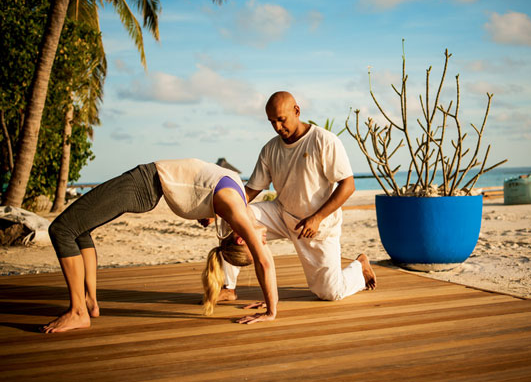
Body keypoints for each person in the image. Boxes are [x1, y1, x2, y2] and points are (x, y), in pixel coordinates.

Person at [42, 159, 278, 333]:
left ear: (241, 239)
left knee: (62, 230)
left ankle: (78, 312)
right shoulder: (236, 208)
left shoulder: (235, 210)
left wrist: (270, 312)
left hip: (143, 182)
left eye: (260, 242)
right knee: (81, 230)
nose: (263, 241)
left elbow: (263, 261)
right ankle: (89, 303)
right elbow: (211, 194)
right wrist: (269, 303)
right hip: (148, 184)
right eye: (263, 242)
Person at [219, 91, 376, 305]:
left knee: (329, 292)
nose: (276, 127)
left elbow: (348, 185)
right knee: (230, 214)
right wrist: (216, 209)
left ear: (297, 111)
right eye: (271, 122)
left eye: (281, 120)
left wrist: (317, 217)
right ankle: (228, 287)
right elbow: (249, 191)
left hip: (316, 225)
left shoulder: (324, 140)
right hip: (281, 214)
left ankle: (359, 266)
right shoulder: (270, 149)